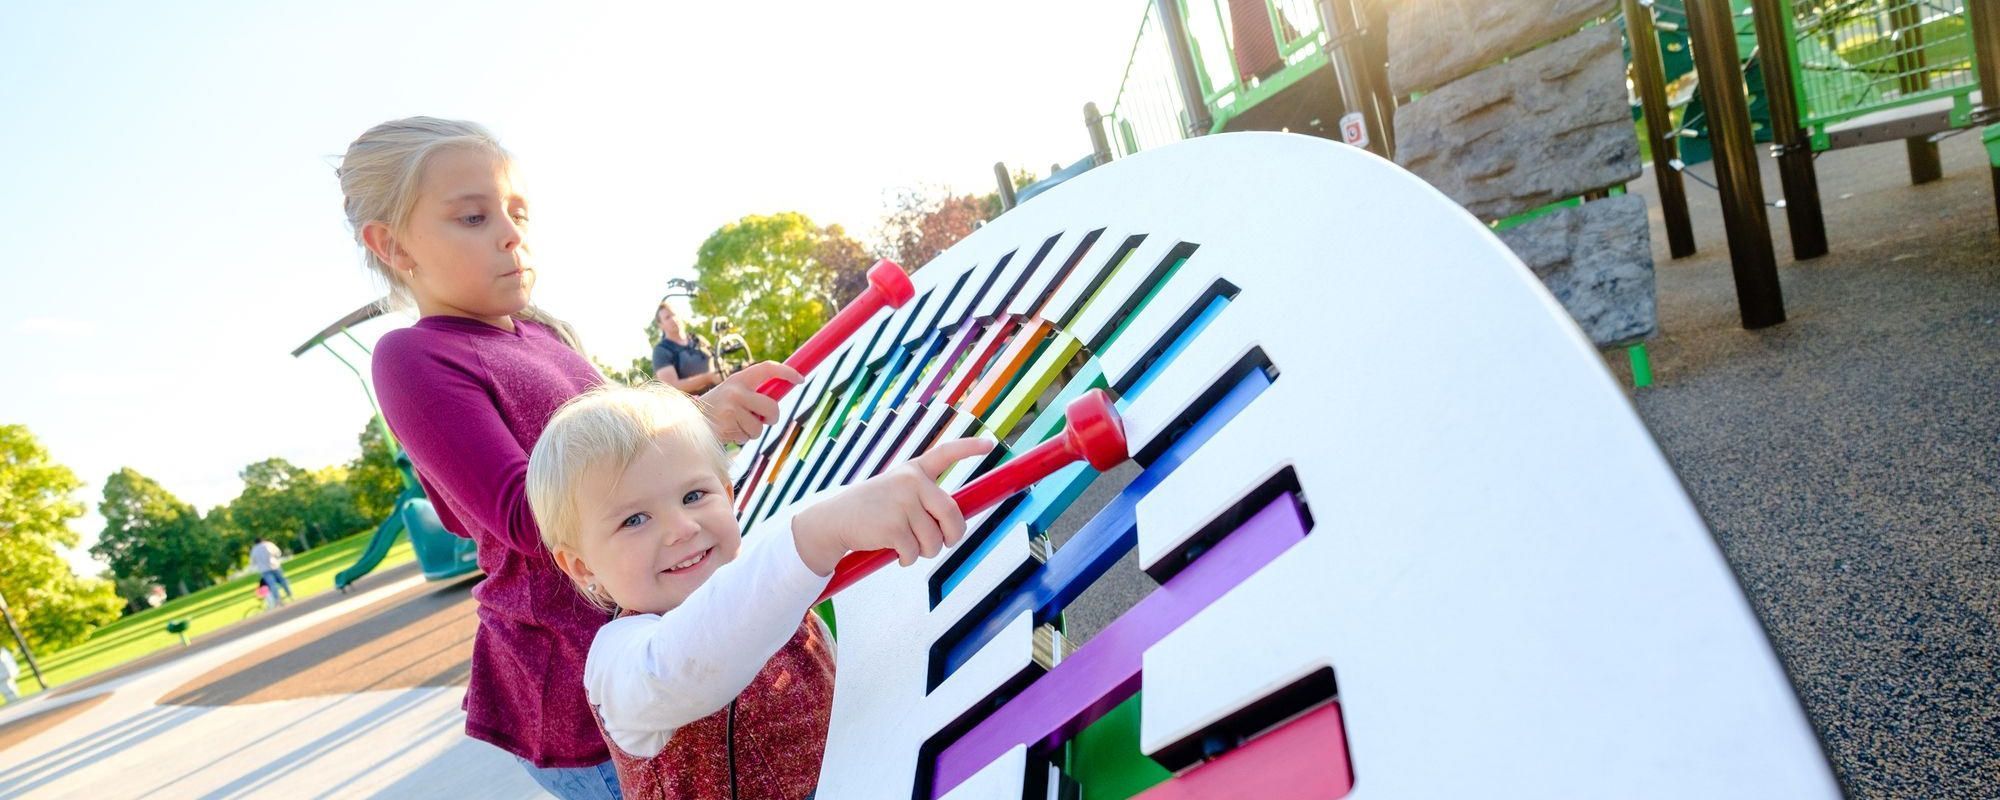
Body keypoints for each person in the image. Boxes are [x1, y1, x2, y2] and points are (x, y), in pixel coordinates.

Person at [342, 116, 801, 799]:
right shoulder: (414, 358)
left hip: (665, 647)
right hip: (582, 692)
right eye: (472, 217)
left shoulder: (548, 334)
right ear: (393, 246)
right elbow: (532, 517)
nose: (510, 233)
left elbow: (641, 452)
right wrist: (696, 416)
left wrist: (701, 427)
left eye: (516, 211)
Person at [526, 384, 989, 799]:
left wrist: (878, 499)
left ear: (728, 496)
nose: (682, 529)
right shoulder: (618, 665)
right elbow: (688, 662)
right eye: (634, 520)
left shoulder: (755, 568)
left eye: (693, 496)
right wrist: (821, 535)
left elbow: (803, 523)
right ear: (583, 565)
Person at [650, 300, 720, 395]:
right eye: (667, 317)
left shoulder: (698, 339)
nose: (673, 319)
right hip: (695, 406)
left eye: (674, 314)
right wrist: (708, 378)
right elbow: (671, 388)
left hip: (720, 393)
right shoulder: (661, 351)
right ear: (661, 325)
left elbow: (719, 364)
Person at [249, 537, 293, 605]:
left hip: (264, 569)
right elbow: (278, 553)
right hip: (274, 566)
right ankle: (290, 594)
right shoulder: (268, 544)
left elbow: (253, 562)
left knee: (272, 585)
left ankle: (277, 600)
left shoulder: (254, 549)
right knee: (283, 581)